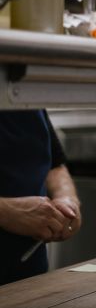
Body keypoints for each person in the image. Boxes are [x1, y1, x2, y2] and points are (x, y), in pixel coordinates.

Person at [0, 110, 81, 285]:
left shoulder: (25, 93)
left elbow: (55, 165)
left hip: (29, 273)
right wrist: (6, 211)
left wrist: (67, 199)